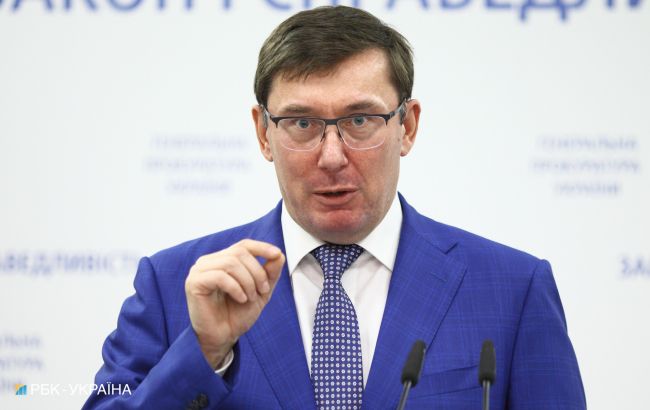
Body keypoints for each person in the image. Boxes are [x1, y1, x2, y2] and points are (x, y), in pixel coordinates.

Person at [84, 6, 586, 410]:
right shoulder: (175, 285)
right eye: (301, 124)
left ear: (407, 127)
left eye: (360, 120)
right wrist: (204, 353)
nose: (331, 157)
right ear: (263, 133)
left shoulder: (512, 289)